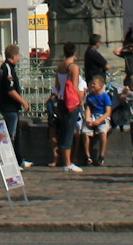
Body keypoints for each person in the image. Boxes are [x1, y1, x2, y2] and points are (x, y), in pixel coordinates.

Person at [48, 44, 83, 172]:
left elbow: (57, 86)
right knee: (69, 131)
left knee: (63, 131)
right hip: (71, 102)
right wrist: (81, 98)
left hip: (61, 100)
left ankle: (65, 161)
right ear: (75, 53)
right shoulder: (74, 67)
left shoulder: (60, 66)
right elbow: (74, 86)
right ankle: (68, 163)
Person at [0, 44, 29, 165]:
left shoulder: (5, 67)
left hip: (11, 106)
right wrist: (23, 102)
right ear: (14, 56)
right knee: (11, 135)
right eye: (18, 56)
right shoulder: (7, 68)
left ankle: (19, 160)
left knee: (17, 134)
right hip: (9, 106)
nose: (19, 58)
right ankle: (10, 161)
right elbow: (10, 90)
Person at [81, 75, 112, 166]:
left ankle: (101, 155)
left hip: (102, 116)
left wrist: (98, 121)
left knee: (103, 132)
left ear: (100, 86)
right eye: (91, 83)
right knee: (84, 132)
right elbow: (88, 109)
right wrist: (87, 118)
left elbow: (108, 112)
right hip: (93, 116)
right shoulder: (89, 97)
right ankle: (87, 156)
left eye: (94, 84)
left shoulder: (105, 96)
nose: (92, 85)